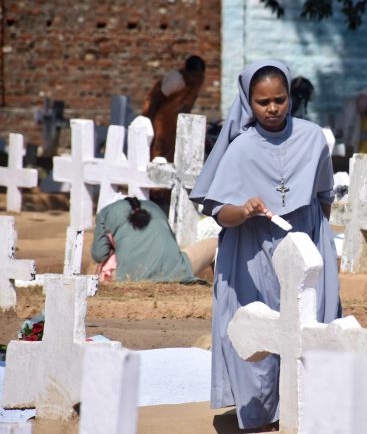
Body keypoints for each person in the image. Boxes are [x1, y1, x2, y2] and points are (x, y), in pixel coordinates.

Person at [189, 60, 341, 431]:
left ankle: (308, 408)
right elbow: (219, 213)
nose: (272, 109)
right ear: (248, 102)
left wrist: (317, 241)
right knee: (257, 328)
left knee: (312, 324)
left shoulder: (312, 138)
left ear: (290, 97)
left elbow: (323, 195)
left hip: (305, 243)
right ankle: (260, 415)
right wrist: (243, 210)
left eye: (279, 99)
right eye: (262, 102)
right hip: (253, 248)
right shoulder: (240, 149)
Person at [91, 197, 217, 283]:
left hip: (128, 276)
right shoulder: (154, 207)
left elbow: (99, 255)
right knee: (215, 243)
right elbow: (172, 244)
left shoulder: (105, 213)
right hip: (175, 271)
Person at [143, 55, 206, 162]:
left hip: (174, 122)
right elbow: (155, 100)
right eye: (193, 76)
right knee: (158, 149)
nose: (196, 79)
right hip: (161, 119)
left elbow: (187, 105)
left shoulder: (197, 82)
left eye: (199, 76)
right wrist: (150, 122)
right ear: (187, 72)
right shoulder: (175, 80)